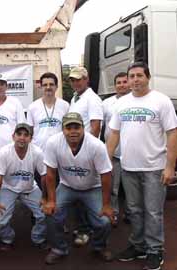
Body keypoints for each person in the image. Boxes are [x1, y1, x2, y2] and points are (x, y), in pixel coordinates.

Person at [107, 62, 177, 270]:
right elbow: (114, 134)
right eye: (132, 76)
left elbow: (173, 133)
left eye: (139, 75)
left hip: (155, 168)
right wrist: (105, 161)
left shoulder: (161, 101)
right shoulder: (121, 104)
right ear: (127, 80)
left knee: (153, 212)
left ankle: (155, 250)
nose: (135, 79)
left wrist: (170, 167)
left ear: (148, 77)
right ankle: (138, 245)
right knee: (134, 210)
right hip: (129, 168)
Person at [42, 112, 114, 265]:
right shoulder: (53, 143)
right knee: (51, 214)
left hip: (92, 187)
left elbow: (106, 175)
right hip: (67, 186)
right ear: (62, 129)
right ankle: (59, 248)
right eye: (69, 128)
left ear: (83, 128)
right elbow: (50, 174)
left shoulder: (96, 145)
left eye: (77, 127)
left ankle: (99, 246)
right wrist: (51, 201)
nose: (73, 131)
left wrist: (107, 205)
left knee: (104, 221)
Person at [0, 123, 47, 251]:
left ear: (30, 139)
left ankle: (38, 238)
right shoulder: (4, 151)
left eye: (26, 135)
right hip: (8, 188)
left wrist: (45, 197)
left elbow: (44, 176)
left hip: (30, 188)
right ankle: (7, 239)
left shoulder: (37, 152)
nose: (22, 137)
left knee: (44, 214)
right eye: (19, 134)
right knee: (1, 221)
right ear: (13, 136)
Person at [68, 66, 104, 246]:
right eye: (73, 80)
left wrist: (88, 152)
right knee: (77, 191)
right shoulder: (75, 98)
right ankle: (83, 227)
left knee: (87, 193)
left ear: (86, 79)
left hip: (86, 153)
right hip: (75, 151)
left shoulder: (92, 99)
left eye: (79, 79)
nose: (75, 82)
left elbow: (96, 126)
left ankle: (89, 230)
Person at [101, 72, 130, 225]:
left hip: (131, 154)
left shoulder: (135, 102)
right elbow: (101, 126)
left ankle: (131, 214)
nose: (122, 85)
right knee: (112, 188)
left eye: (125, 82)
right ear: (115, 85)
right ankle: (114, 214)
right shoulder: (106, 103)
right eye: (118, 82)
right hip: (113, 153)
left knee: (130, 189)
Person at [27, 72, 69, 151]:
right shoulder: (32, 107)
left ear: (56, 86)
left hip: (59, 151)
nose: (48, 87)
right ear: (41, 87)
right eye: (45, 85)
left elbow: (67, 129)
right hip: (38, 151)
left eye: (51, 84)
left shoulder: (65, 106)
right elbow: (30, 132)